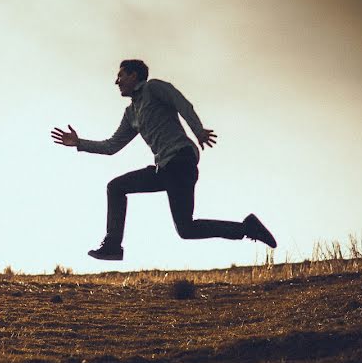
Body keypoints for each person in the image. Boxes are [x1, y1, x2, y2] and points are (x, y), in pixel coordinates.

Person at [51, 59, 275, 260]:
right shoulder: (131, 114)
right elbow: (112, 146)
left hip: (180, 161)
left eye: (121, 76)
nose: (116, 81)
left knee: (185, 228)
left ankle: (246, 228)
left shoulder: (153, 88)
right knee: (120, 189)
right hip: (164, 169)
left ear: (134, 75)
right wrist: (79, 143)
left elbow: (181, 103)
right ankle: (112, 247)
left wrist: (197, 131)